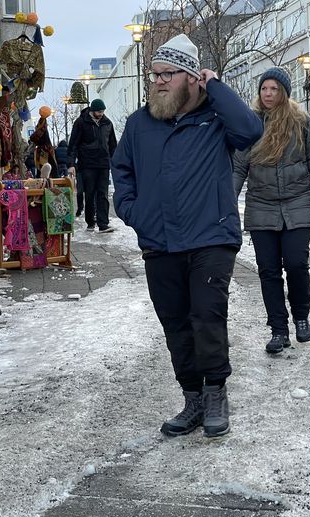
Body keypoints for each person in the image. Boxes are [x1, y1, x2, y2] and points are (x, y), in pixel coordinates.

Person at [111, 34, 263, 438]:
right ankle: (193, 398)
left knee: (206, 316)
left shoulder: (216, 119)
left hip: (210, 236)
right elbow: (121, 172)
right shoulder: (139, 124)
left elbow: (250, 130)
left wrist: (215, 85)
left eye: (168, 74)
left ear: (192, 78)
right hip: (159, 241)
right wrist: (133, 211)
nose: (158, 81)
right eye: (154, 74)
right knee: (175, 321)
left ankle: (216, 393)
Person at [233, 66, 310, 355]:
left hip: (297, 202)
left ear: (284, 92)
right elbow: (239, 167)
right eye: (264, 89)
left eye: (274, 89)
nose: (268, 94)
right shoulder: (250, 123)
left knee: (295, 264)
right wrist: (226, 203)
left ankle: (302, 317)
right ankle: (279, 330)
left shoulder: (300, 121)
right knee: (268, 271)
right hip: (261, 206)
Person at [67, 98, 117, 233]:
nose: (101, 114)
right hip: (87, 164)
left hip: (103, 164)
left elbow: (113, 145)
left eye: (102, 111)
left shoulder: (107, 123)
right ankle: (90, 222)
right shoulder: (81, 122)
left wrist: (116, 162)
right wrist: (71, 164)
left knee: (103, 194)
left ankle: (103, 223)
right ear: (92, 111)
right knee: (89, 194)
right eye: (98, 111)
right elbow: (73, 145)